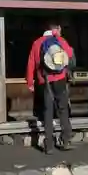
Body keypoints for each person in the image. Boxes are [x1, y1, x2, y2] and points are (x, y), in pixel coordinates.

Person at [26, 22, 74, 154]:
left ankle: (49, 145)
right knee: (62, 109)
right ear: (55, 29)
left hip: (44, 80)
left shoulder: (37, 43)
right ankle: (65, 140)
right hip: (60, 79)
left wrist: (30, 82)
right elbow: (69, 54)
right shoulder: (59, 40)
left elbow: (31, 63)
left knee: (48, 111)